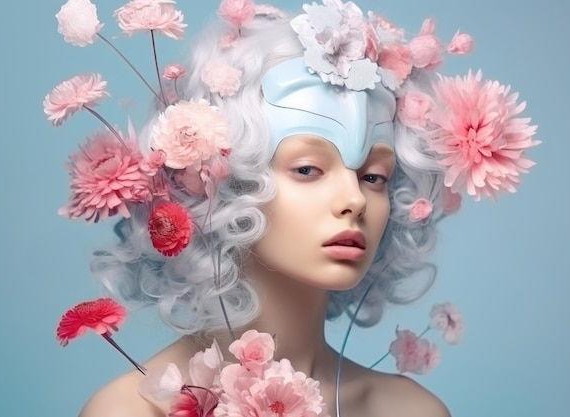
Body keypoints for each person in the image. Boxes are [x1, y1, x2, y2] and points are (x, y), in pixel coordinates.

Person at [46, 0, 537, 416]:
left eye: (374, 177)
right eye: (307, 169)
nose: (352, 201)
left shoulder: (409, 412)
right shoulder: (131, 410)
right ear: (228, 181)